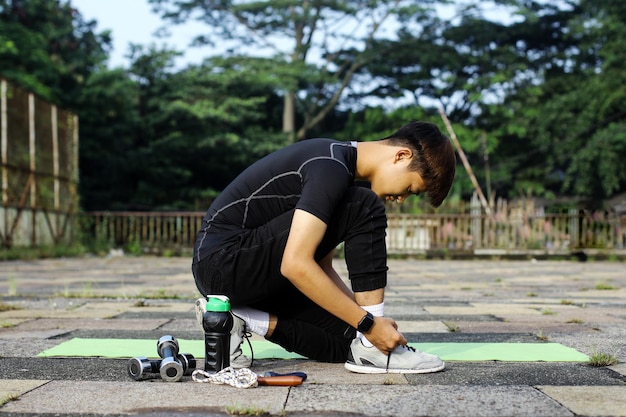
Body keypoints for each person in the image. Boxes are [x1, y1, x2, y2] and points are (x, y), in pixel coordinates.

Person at [192, 121, 456, 374]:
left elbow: (320, 266)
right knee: (365, 207)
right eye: (410, 188)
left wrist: (361, 323)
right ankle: (372, 350)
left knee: (347, 340)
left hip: (248, 273)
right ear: (401, 156)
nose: (401, 199)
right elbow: (295, 264)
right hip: (223, 263)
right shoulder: (329, 166)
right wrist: (370, 324)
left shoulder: (340, 173)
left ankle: (238, 318)